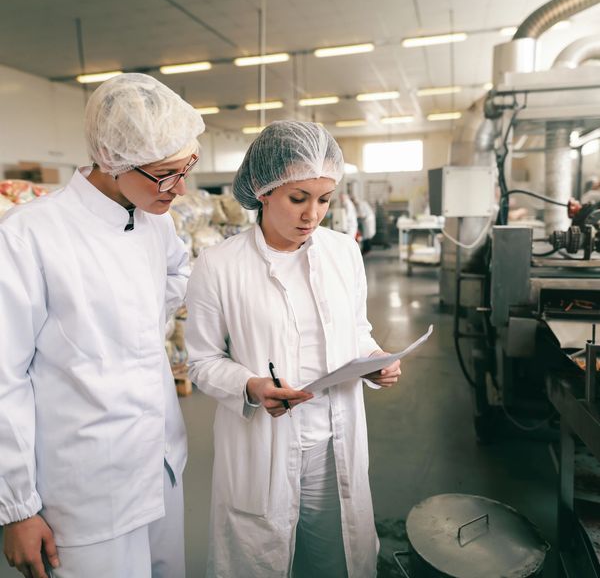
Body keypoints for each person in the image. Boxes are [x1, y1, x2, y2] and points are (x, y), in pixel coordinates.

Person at [0, 73, 205, 578]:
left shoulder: (155, 221)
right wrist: (17, 508)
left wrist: (141, 311)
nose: (178, 189)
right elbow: (5, 379)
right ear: (114, 162)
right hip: (86, 490)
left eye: (186, 169)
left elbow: (180, 272)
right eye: (165, 174)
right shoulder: (30, 236)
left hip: (159, 465)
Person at [185, 120, 401, 578]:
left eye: (324, 199)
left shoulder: (344, 253)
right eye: (298, 199)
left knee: (334, 559)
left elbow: (356, 328)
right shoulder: (219, 265)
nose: (313, 214)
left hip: (333, 442)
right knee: (259, 558)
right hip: (263, 444)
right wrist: (251, 386)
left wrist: (373, 360)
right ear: (263, 191)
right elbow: (201, 362)